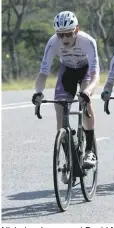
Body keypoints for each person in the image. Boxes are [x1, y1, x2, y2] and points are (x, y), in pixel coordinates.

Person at [32, 11, 100, 167]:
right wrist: (38, 92)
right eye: (60, 35)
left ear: (76, 30)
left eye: (68, 34)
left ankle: (89, 151)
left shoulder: (88, 42)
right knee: (60, 108)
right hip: (67, 71)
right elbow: (43, 72)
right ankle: (70, 156)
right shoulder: (52, 43)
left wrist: (87, 92)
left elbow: (96, 74)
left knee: (85, 102)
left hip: (85, 71)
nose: (64, 39)